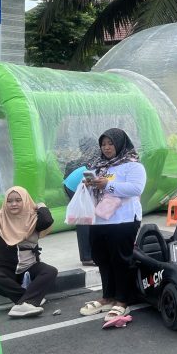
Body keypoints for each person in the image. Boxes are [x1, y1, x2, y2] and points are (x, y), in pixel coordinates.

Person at [79, 129, 146, 325]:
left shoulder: (132, 165)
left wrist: (106, 185)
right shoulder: (99, 166)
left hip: (124, 220)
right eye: (104, 144)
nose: (107, 148)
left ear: (120, 144)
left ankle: (122, 300)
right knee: (102, 258)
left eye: (111, 143)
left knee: (121, 259)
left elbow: (136, 188)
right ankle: (107, 297)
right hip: (100, 219)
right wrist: (89, 185)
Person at [0, 187, 56, 317]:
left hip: (30, 266)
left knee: (50, 271)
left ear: (25, 201)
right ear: (5, 203)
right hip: (3, 267)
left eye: (18, 200)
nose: (13, 204)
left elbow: (47, 220)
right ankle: (28, 301)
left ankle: (23, 304)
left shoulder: (33, 219)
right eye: (9, 201)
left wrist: (41, 206)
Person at [63, 136, 99, 266]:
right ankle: (87, 257)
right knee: (85, 219)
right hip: (75, 184)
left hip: (72, 182)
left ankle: (90, 254)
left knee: (88, 218)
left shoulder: (95, 156)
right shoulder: (101, 156)